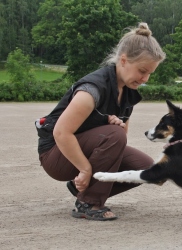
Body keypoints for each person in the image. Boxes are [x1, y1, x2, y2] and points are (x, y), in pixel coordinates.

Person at [35, 22, 166, 221]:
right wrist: (85, 169)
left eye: (150, 73)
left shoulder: (129, 94)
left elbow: (120, 141)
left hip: (81, 150)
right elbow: (61, 133)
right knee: (115, 134)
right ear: (123, 60)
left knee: (148, 170)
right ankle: (89, 202)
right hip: (55, 155)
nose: (145, 78)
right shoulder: (93, 89)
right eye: (142, 70)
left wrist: (115, 127)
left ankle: (81, 188)